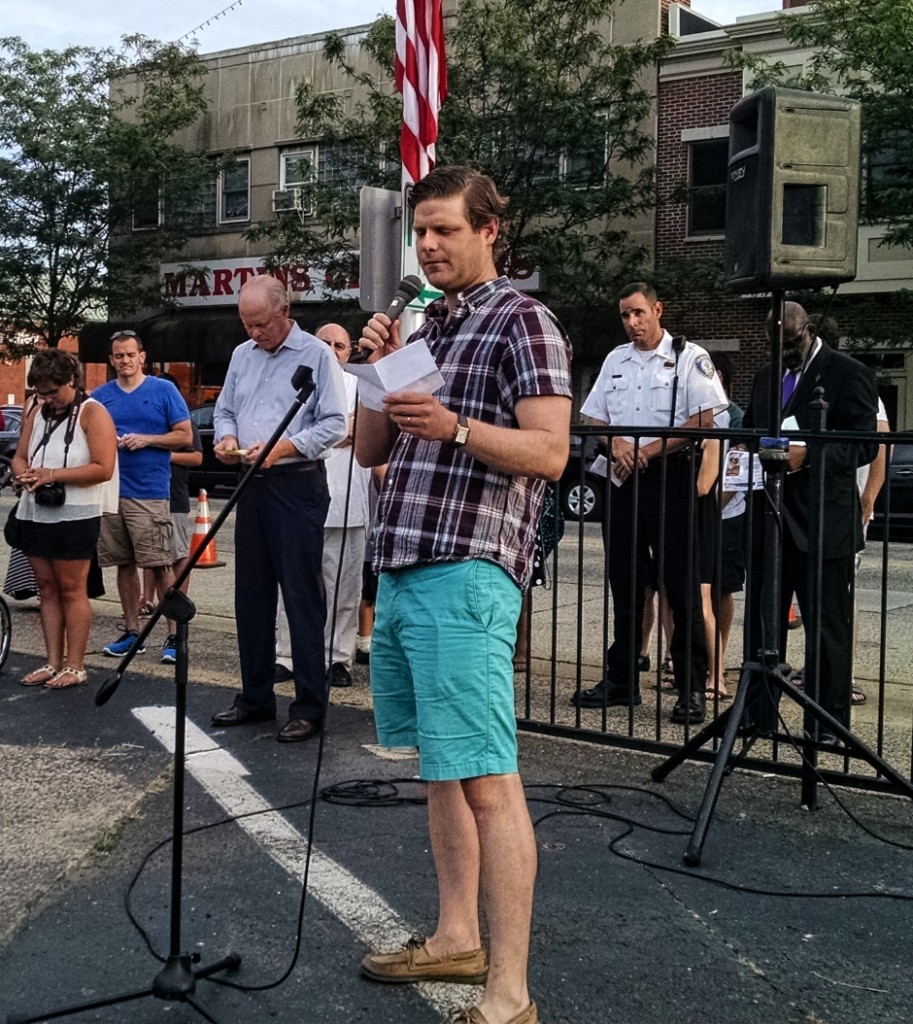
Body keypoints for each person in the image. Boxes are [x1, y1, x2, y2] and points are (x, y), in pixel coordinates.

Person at [355, 165, 571, 1024]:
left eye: (446, 229)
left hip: (468, 568)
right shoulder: (422, 325)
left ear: (490, 230)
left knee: (487, 779)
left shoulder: (525, 319)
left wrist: (457, 427)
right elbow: (374, 449)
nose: (431, 245)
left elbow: (551, 453)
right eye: (422, 232)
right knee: (442, 773)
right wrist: (376, 367)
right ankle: (453, 937)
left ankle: (509, 993)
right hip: (404, 565)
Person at [570, 283, 727, 724]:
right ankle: (622, 680)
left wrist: (648, 449)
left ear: (658, 309)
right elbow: (593, 417)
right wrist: (617, 442)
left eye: (638, 313)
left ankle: (691, 687)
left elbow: (702, 421)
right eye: (625, 315)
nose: (632, 323)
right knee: (626, 581)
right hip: (624, 477)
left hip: (672, 477)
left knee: (681, 585)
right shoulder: (615, 360)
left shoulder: (688, 357)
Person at [210, 275, 348, 743]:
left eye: (262, 324)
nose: (254, 333)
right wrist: (226, 437)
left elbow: (335, 423)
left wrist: (285, 447)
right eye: (247, 325)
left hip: (296, 484)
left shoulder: (316, 355)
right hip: (251, 482)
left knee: (301, 598)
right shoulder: (240, 355)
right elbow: (224, 409)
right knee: (251, 596)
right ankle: (254, 697)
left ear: (285, 310)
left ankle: (309, 705)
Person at [743, 301, 878, 743]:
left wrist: (808, 455)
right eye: (776, 346)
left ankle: (826, 722)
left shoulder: (846, 372)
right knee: (763, 623)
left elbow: (863, 445)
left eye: (793, 342)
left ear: (810, 330)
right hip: (771, 517)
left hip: (823, 521)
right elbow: (750, 430)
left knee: (826, 629)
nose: (786, 353)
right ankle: (758, 714)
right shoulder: (767, 375)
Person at [12, 350, 117, 688]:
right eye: (41, 393)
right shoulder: (35, 409)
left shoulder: (93, 412)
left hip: (76, 514)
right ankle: (52, 661)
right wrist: (24, 475)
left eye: (53, 392)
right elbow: (20, 456)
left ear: (71, 380)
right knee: (46, 589)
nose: (47, 399)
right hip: (36, 511)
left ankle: (76, 664)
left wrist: (54, 474)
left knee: (72, 589)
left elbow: (103, 468)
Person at [275, 322, 371, 688]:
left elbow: (362, 431)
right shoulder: (295, 382)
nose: (332, 349)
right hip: (297, 498)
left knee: (344, 588)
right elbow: (285, 433)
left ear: (349, 353)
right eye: (325, 342)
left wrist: (325, 434)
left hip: (347, 503)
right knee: (293, 584)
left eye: (340, 345)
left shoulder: (359, 386)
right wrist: (335, 432)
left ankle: (337, 657)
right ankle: (287, 654)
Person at [93, 331, 192, 656]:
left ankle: (175, 637)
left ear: (142, 356)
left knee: (159, 564)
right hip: (110, 492)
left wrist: (146, 439)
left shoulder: (163, 390)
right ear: (111, 360)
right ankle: (132, 632)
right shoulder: (100, 396)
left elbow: (184, 436)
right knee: (123, 563)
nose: (124, 361)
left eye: (130, 355)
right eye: (118, 356)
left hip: (150, 492)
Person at [141, 373, 204, 663]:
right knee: (152, 557)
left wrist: (164, 455)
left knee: (177, 558)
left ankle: (176, 629)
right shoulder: (147, 419)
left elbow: (196, 457)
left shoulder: (183, 421)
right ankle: (145, 607)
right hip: (146, 496)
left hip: (175, 499)